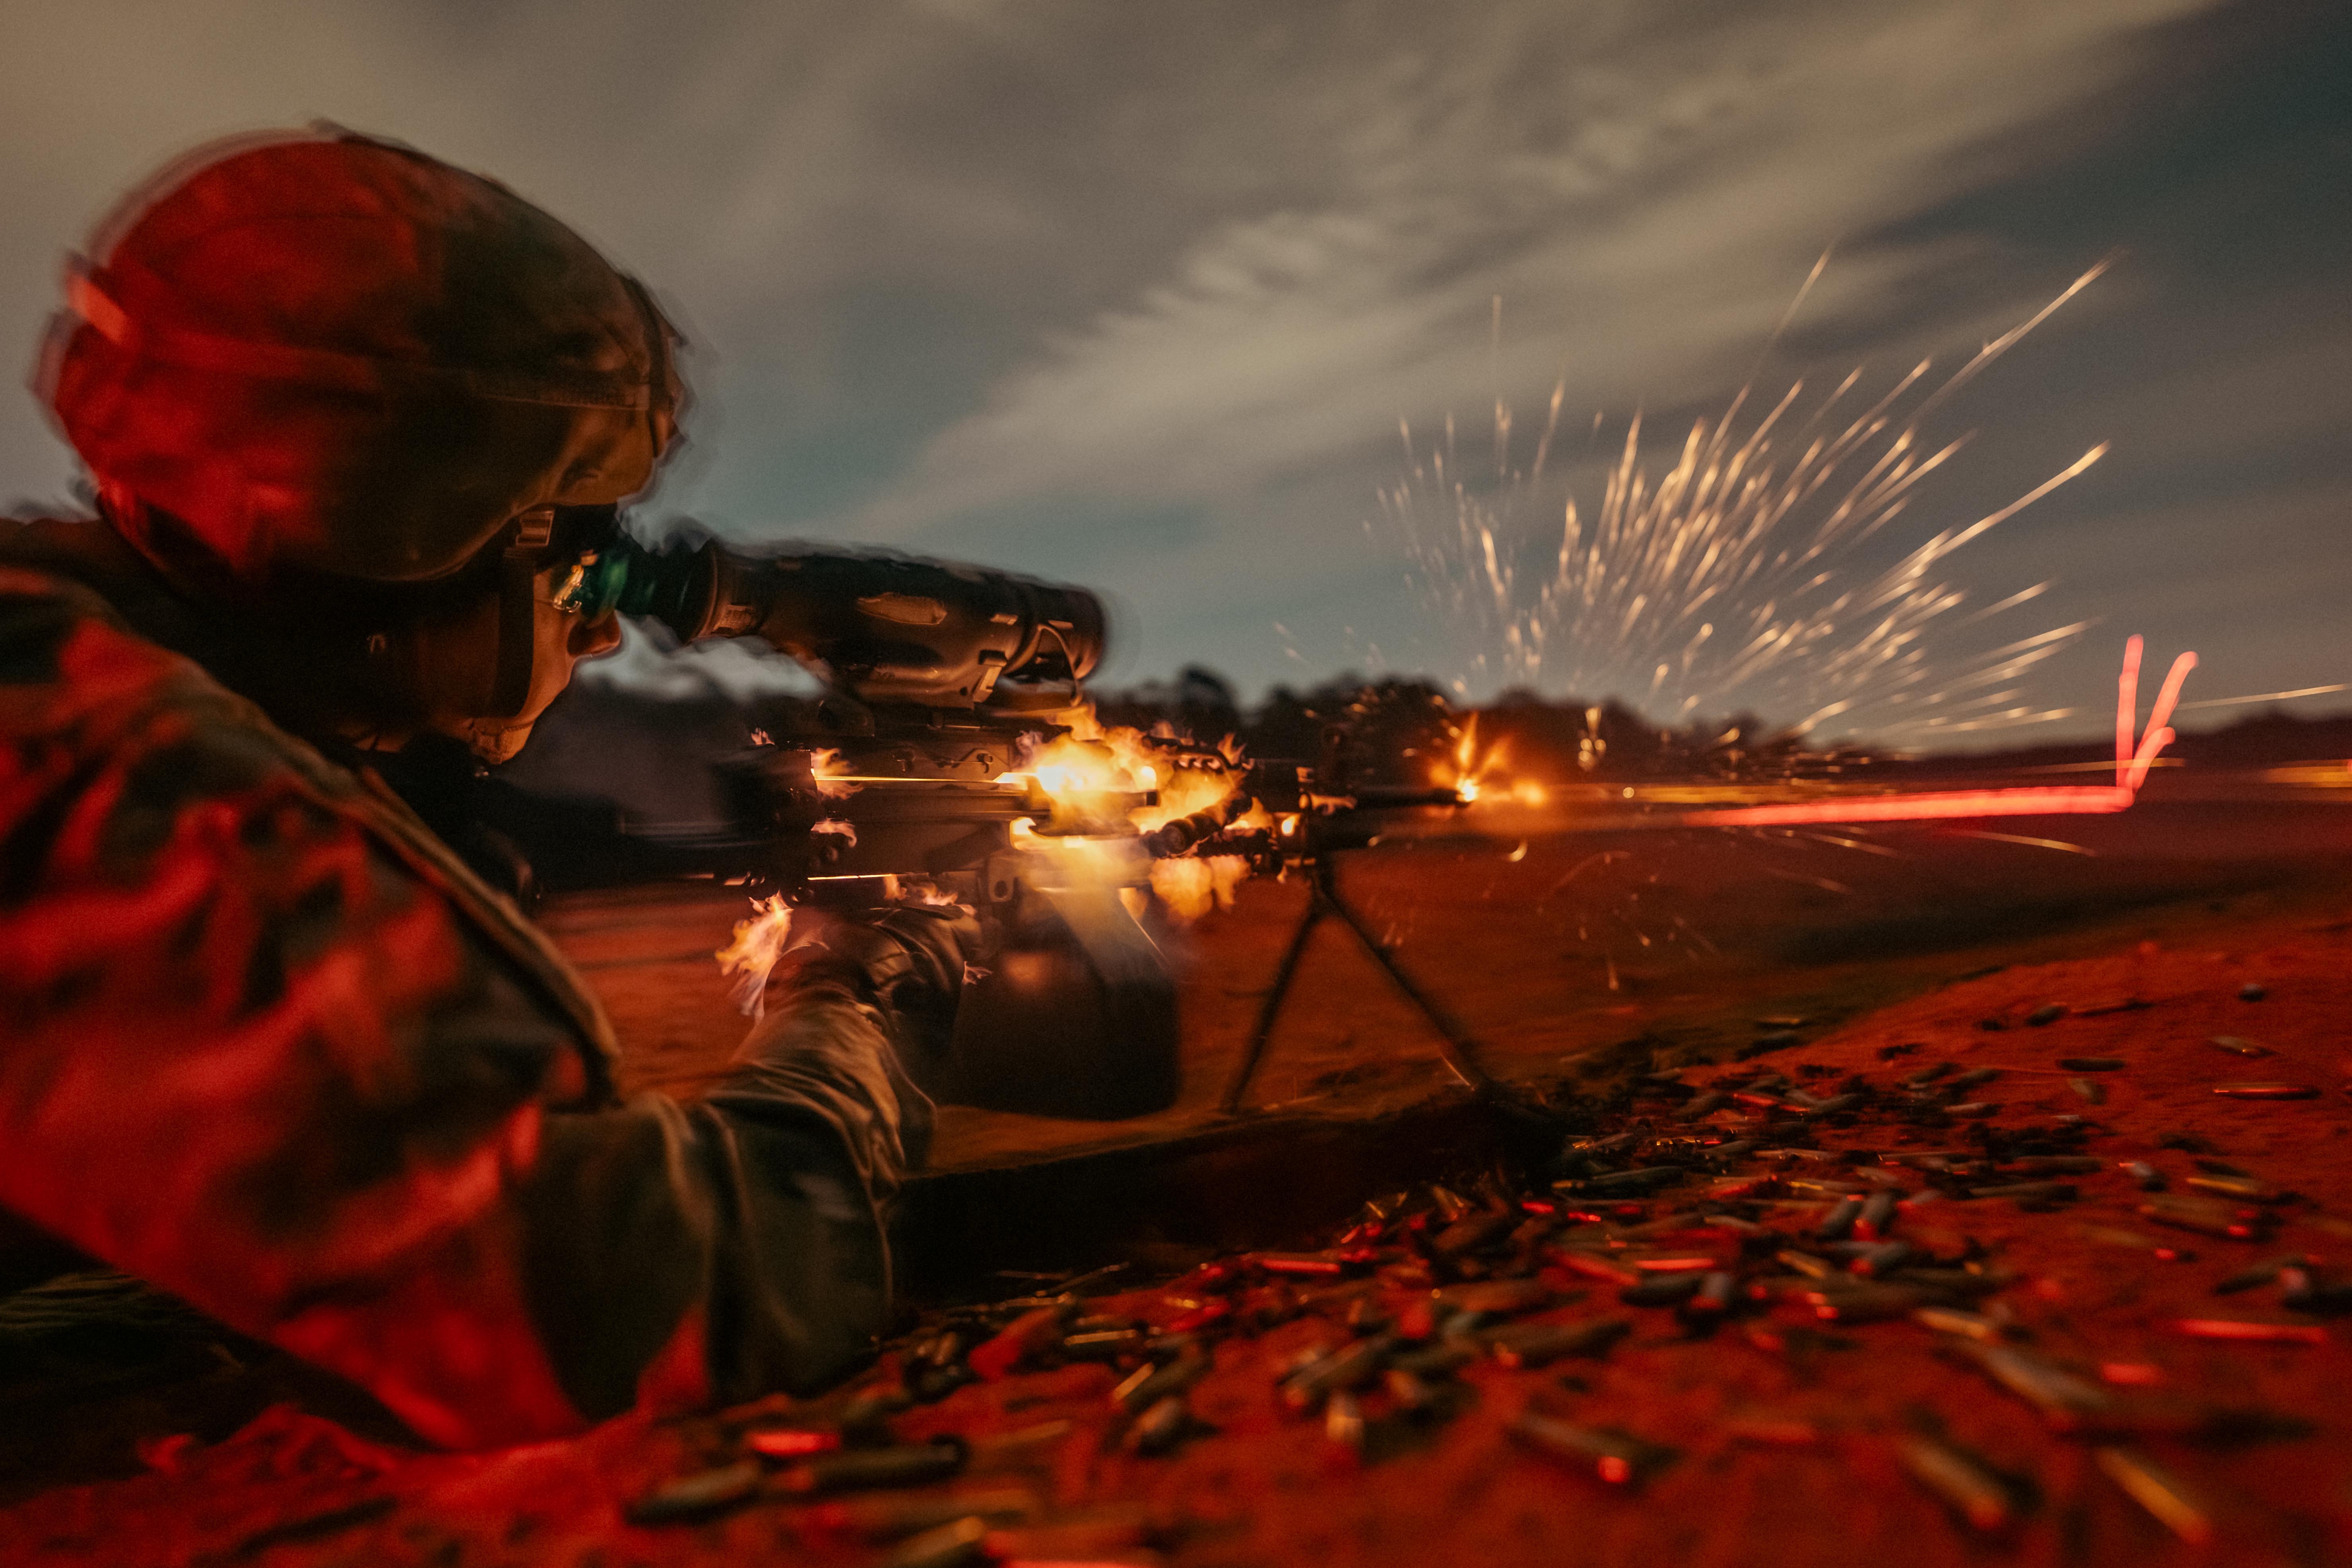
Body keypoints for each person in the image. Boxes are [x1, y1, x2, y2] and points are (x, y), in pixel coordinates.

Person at [0, 128, 974, 1448]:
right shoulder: (75, 764)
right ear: (419, 529)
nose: (599, 622)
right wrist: (854, 992)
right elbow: (622, 1301)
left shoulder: (77, 675)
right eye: (577, 551)